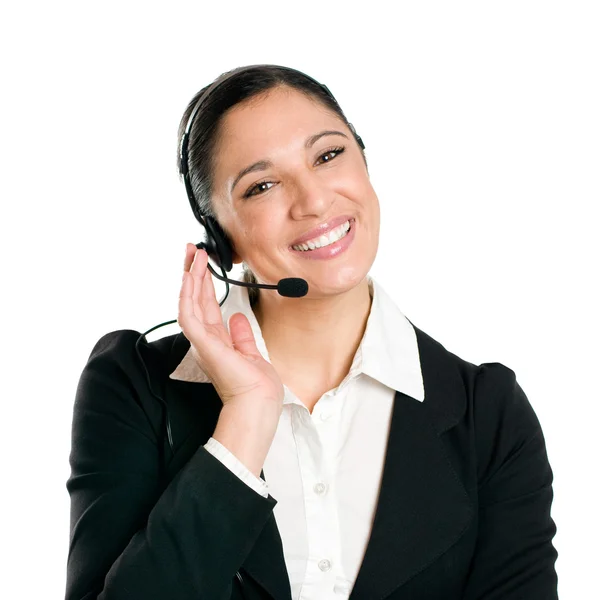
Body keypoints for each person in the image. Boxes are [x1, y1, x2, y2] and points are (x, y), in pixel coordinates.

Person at [65, 64, 559, 600]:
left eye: (328, 155)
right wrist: (245, 422)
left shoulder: (488, 414)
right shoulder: (134, 389)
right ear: (219, 242)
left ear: (364, 162)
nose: (315, 200)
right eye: (262, 185)